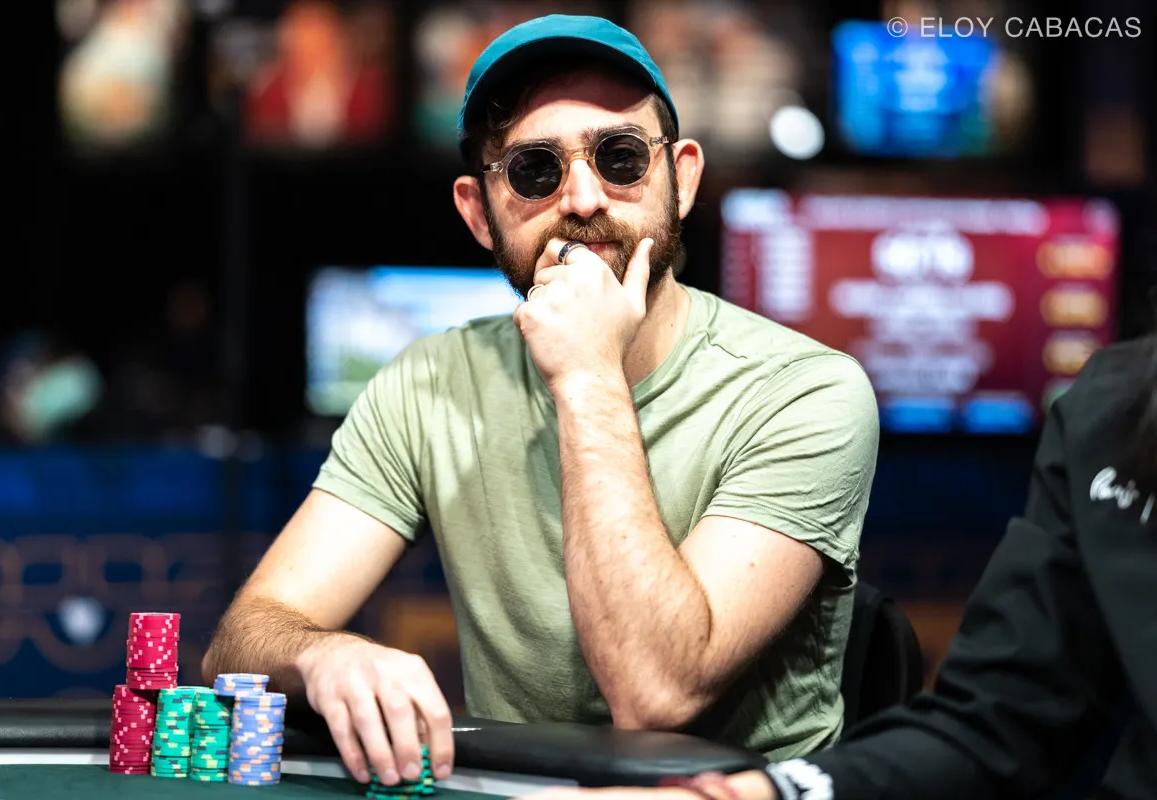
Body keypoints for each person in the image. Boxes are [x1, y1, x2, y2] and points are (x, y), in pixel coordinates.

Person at [202, 14, 878, 791]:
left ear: (683, 178)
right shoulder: (431, 382)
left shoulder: (805, 392)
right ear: (478, 213)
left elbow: (655, 695)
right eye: (534, 170)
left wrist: (588, 374)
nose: (583, 199)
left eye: (620, 157)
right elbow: (239, 643)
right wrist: (323, 653)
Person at [521, 333, 1157, 799]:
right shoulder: (1112, 410)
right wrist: (748, 794)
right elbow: (998, 726)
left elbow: (656, 691)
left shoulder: (810, 391)